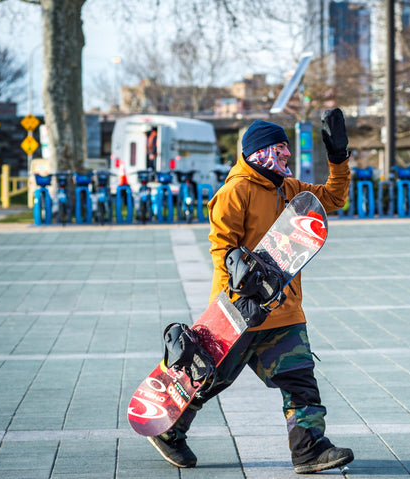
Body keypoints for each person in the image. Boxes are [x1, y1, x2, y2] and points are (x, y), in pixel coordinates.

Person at [147, 110, 355, 475]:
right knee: (209, 379)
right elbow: (220, 247)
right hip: (237, 313)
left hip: (285, 311)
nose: (286, 156)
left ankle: (308, 450)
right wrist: (238, 282)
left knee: (300, 380)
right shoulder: (235, 191)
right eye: (279, 149)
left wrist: (338, 158)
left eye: (286, 149)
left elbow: (333, 200)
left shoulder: (290, 189)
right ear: (259, 152)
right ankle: (169, 431)